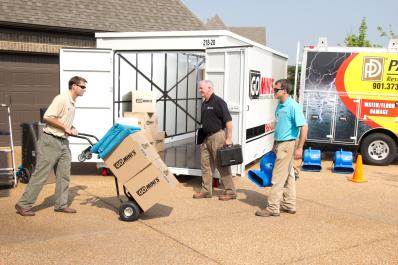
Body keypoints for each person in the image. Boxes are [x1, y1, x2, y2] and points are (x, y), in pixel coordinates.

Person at [15, 76, 87, 216]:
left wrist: (72, 128)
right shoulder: (62, 99)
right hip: (51, 141)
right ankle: (23, 204)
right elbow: (48, 117)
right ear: (74, 86)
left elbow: (62, 120)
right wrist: (66, 127)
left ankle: (61, 204)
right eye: (82, 87)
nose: (85, 89)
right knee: (41, 174)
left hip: (63, 142)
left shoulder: (73, 102)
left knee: (64, 174)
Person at [255, 79, 308, 217]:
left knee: (278, 176)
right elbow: (279, 126)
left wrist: (300, 148)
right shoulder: (279, 105)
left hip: (288, 145)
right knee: (289, 174)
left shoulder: (293, 106)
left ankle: (273, 207)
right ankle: (289, 204)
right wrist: (274, 144)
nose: (273, 92)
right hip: (280, 143)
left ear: (284, 90)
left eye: (276, 90)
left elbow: (304, 127)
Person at [193, 80, 237, 201]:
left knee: (222, 165)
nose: (200, 90)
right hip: (206, 138)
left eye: (201, 88)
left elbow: (228, 122)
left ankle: (231, 192)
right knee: (205, 165)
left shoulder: (219, 102)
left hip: (218, 136)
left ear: (209, 88)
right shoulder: (204, 103)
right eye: (200, 88)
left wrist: (228, 139)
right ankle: (206, 191)